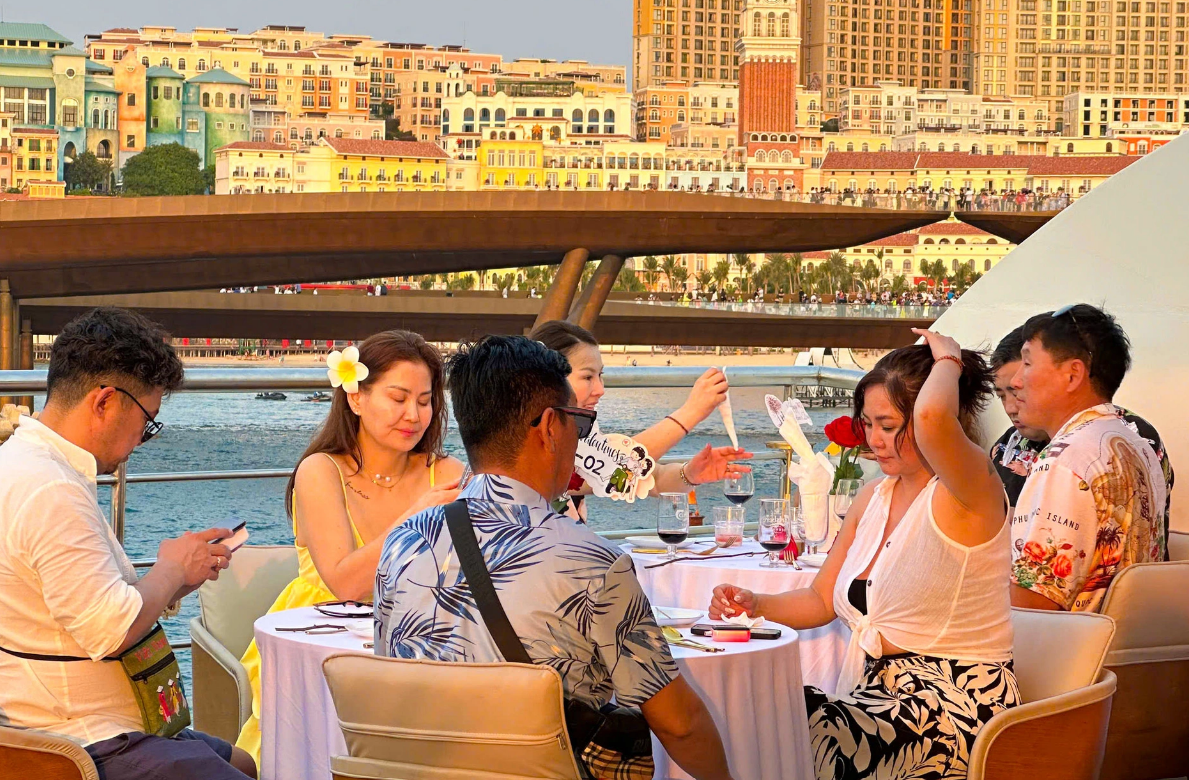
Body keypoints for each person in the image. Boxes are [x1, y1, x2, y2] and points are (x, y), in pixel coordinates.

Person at [376, 336, 734, 780]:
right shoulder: (593, 564)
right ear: (550, 427)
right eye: (580, 424)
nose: (579, 438)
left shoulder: (403, 541)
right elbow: (680, 725)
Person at [0, 307, 256, 779]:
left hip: (74, 721)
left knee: (244, 762)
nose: (141, 440)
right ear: (105, 402)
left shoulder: (34, 466)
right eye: (146, 422)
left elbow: (74, 608)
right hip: (73, 739)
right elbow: (110, 630)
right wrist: (169, 569)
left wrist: (180, 577)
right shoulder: (47, 487)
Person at [709, 331, 1019, 779]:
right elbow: (820, 600)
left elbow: (933, 416)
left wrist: (949, 358)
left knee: (802, 730)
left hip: (954, 710)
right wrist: (756, 605)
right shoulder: (873, 496)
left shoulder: (970, 493)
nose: (874, 439)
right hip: (878, 703)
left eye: (889, 426)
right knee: (750, 709)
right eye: (867, 424)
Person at [235, 330, 463, 761]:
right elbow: (345, 583)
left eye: (425, 400)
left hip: (422, 647)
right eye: (398, 398)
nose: (413, 414)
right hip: (323, 647)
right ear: (356, 399)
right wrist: (415, 517)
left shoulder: (447, 472)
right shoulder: (320, 470)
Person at [1008, 305, 1169, 612]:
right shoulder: (1136, 444)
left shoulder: (1066, 461)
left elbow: (1033, 606)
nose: (1016, 380)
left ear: (1073, 375)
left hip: (1066, 654)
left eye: (1027, 363)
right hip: (1118, 649)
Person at [529, 321, 751, 520]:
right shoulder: (531, 444)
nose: (600, 389)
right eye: (588, 377)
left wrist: (692, 473)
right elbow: (621, 464)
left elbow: (649, 478)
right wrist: (692, 411)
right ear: (549, 379)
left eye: (600, 376)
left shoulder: (579, 437)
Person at [989, 324, 1173, 508]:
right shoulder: (1008, 445)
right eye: (1001, 395)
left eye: (1017, 389)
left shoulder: (1127, 440)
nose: (1011, 407)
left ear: (1070, 375)